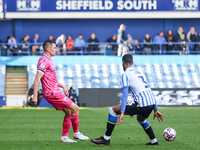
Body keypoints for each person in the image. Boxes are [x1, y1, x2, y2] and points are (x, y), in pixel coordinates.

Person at [91, 54, 165, 146]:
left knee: (112, 111)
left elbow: (125, 94)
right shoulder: (140, 73)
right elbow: (148, 90)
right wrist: (155, 109)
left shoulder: (126, 74)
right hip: (151, 104)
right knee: (141, 119)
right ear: (132, 63)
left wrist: (122, 112)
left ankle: (106, 138)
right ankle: (153, 141)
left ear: (123, 63)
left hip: (141, 104)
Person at [32, 40, 89, 143]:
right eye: (54, 48)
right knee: (75, 108)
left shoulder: (48, 60)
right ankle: (76, 133)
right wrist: (35, 95)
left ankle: (64, 137)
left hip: (55, 91)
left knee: (68, 111)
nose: (56, 50)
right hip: (52, 93)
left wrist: (62, 86)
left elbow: (51, 79)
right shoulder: (43, 61)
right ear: (48, 49)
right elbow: (37, 78)